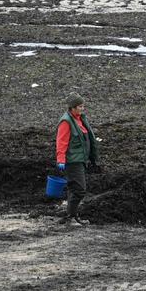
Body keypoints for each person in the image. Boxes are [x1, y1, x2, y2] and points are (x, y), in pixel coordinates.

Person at [55, 94, 100, 226]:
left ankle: (72, 216)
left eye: (82, 106)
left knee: (74, 188)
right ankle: (71, 217)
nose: (82, 108)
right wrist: (61, 159)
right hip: (72, 161)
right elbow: (61, 142)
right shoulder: (66, 122)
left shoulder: (80, 119)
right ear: (72, 108)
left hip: (80, 159)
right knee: (79, 189)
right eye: (80, 106)